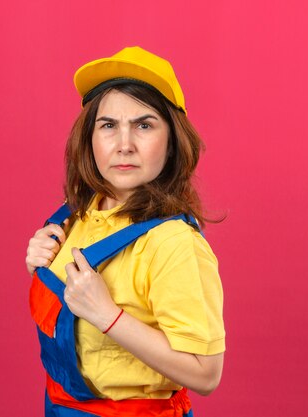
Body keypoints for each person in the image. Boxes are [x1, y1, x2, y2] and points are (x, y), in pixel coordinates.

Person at [26, 46, 225, 417]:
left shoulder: (174, 244)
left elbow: (206, 373)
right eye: (108, 126)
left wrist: (108, 315)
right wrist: (42, 262)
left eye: (144, 125)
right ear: (90, 138)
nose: (124, 145)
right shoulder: (77, 215)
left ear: (171, 143)